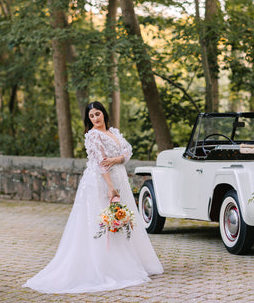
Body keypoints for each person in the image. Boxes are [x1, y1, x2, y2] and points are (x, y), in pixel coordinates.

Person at [23, 101, 163, 293]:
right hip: (101, 183)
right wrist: (111, 188)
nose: (96, 118)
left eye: (98, 114)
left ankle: (129, 261)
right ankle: (104, 265)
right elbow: (100, 163)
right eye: (91, 116)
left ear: (104, 114)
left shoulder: (114, 132)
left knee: (123, 219)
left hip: (120, 180)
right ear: (88, 119)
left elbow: (127, 152)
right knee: (104, 220)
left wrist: (116, 159)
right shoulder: (93, 136)